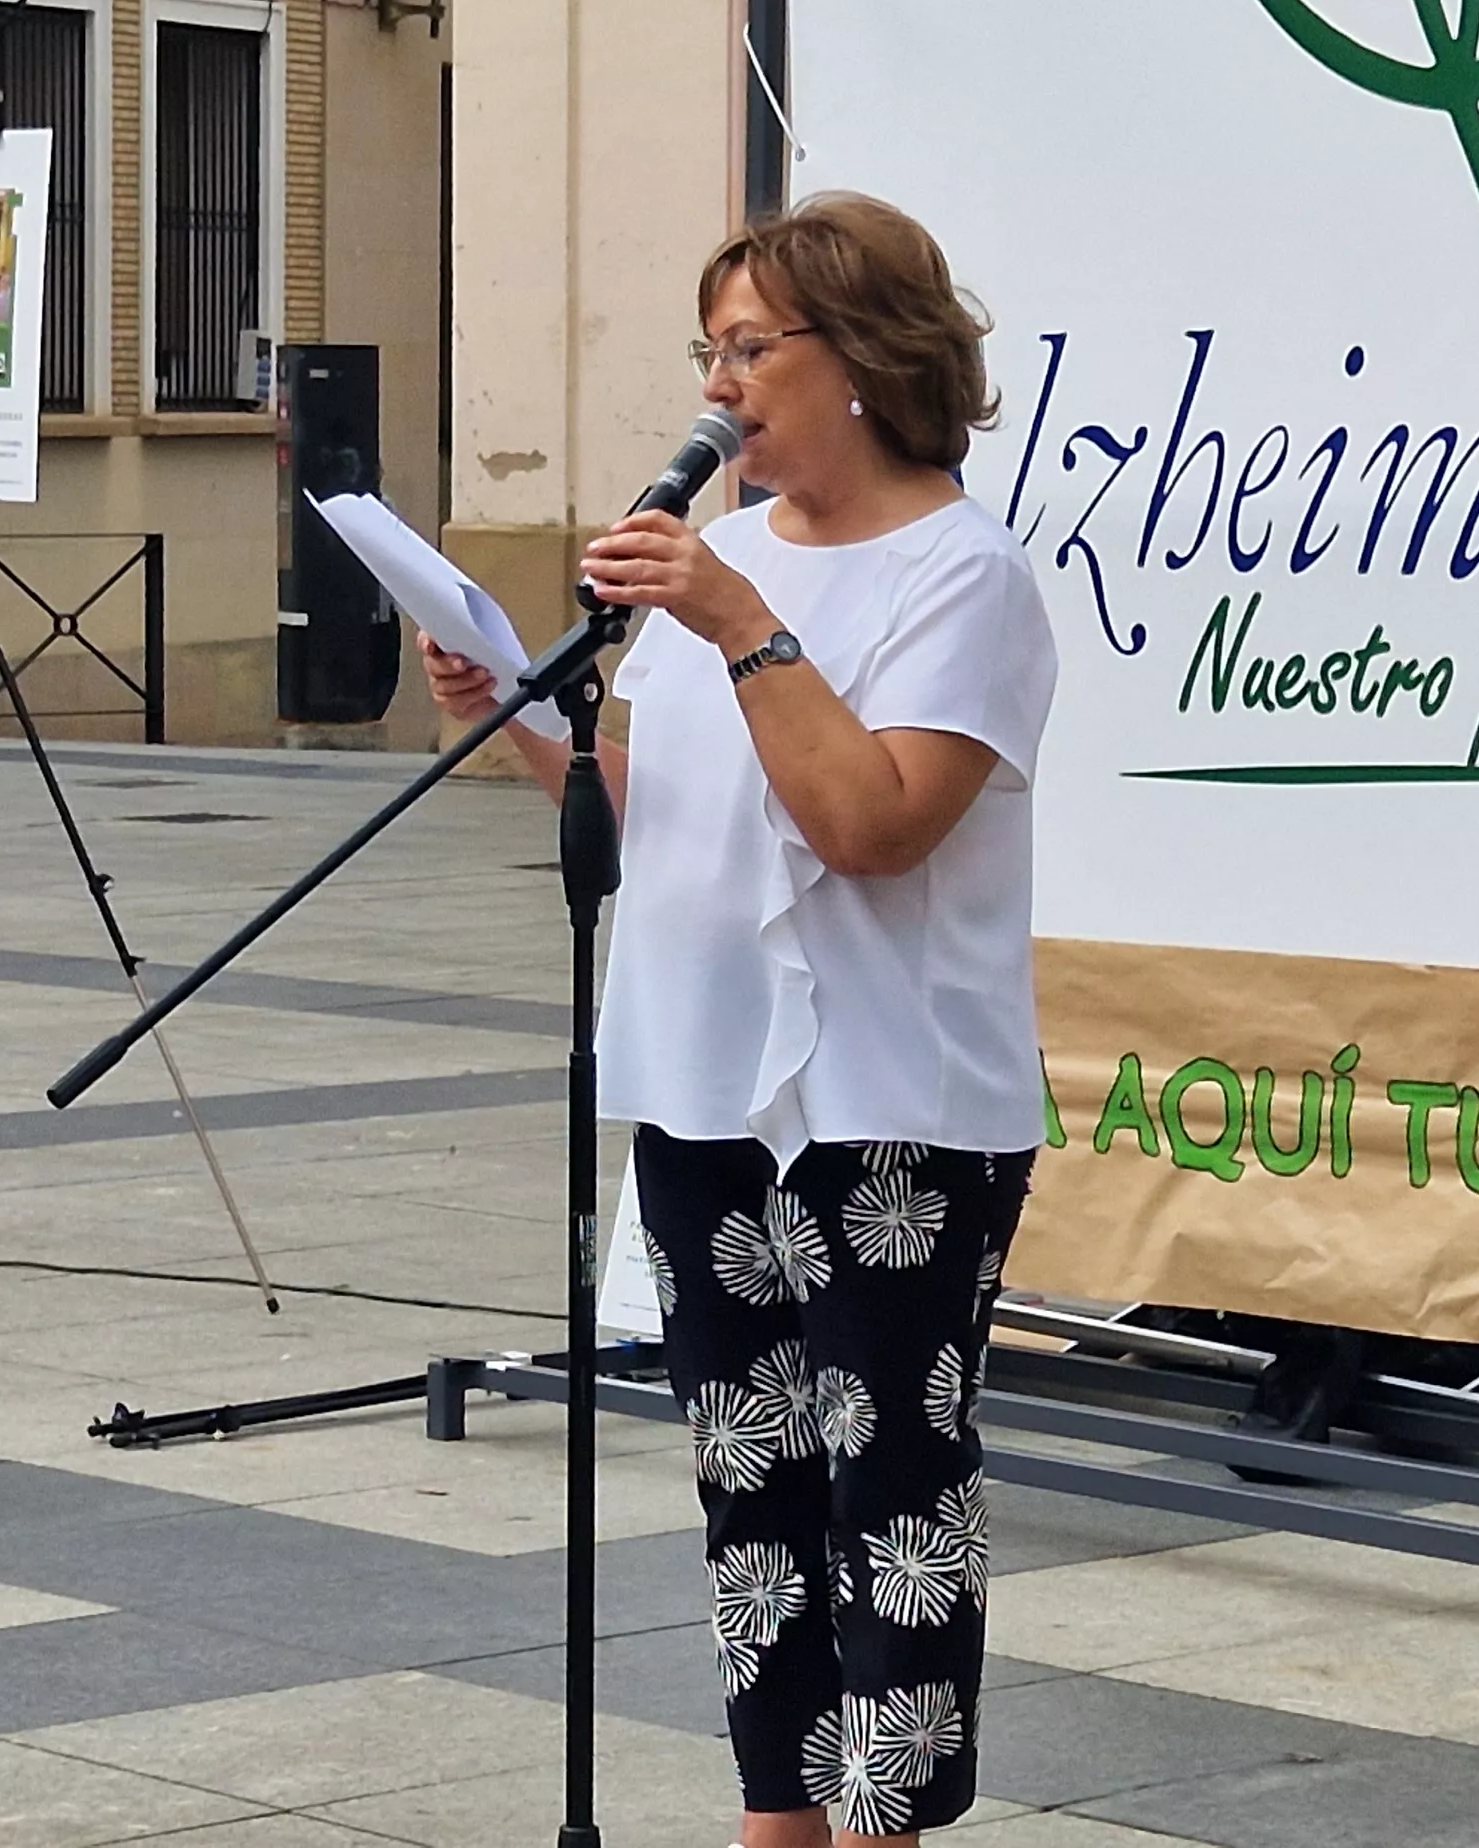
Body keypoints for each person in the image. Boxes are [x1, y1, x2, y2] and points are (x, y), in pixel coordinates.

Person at [422, 192, 1055, 1848]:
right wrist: (517, 718)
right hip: (710, 1081)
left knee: (889, 1488)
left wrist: (733, 622)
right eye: (710, 351)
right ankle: (777, 1816)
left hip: (892, 1101)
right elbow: (657, 808)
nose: (721, 386)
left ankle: (879, 1828)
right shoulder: (729, 569)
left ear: (862, 359)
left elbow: (872, 825)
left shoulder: (963, 578)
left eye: (752, 348)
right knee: (750, 1487)